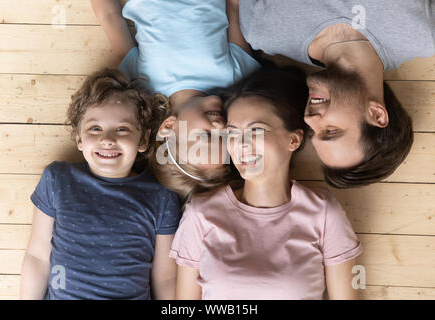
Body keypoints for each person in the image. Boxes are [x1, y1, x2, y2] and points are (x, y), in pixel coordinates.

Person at [169, 67, 363, 300]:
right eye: (232, 134)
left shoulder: (322, 212)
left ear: (293, 139)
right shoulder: (200, 214)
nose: (241, 145)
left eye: (256, 131)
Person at [234, 0, 434, 188]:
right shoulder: (423, 31)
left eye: (313, 131)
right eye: (330, 131)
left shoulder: (263, 29)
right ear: (376, 114)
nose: (310, 119)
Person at [20, 69, 181, 300]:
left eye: (122, 129)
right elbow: (37, 257)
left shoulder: (161, 196)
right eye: (95, 128)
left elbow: (165, 278)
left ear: (143, 139)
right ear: (79, 138)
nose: (107, 139)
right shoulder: (58, 180)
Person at [90, 0, 260, 200]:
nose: (219, 125)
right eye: (226, 135)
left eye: (207, 135)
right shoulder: (237, 80)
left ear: (169, 126)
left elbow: (110, 19)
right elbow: (234, 8)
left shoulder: (142, 87)